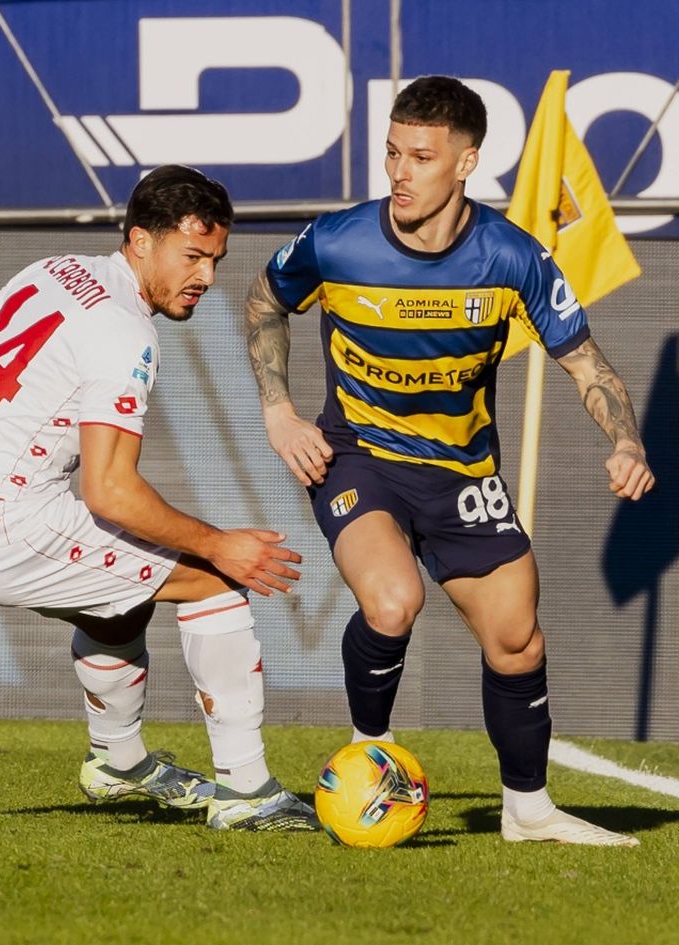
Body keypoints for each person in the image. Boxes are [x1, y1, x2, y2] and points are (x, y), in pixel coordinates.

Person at [245, 77, 654, 846]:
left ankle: (528, 810)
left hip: (463, 473)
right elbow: (264, 299)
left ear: (465, 164)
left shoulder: (512, 257)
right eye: (392, 153)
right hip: (358, 456)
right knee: (393, 601)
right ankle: (369, 753)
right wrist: (278, 409)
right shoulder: (337, 239)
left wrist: (625, 441)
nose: (399, 171)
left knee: (517, 639)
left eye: (421, 157)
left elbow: (588, 365)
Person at [0, 165, 318, 832]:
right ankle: (248, 790)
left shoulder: (49, 270)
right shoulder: (124, 331)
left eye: (216, 259)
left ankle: (118, 763)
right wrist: (218, 544)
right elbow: (110, 490)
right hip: (1, 524)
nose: (206, 276)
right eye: (192, 255)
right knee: (212, 581)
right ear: (140, 240)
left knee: (123, 593)